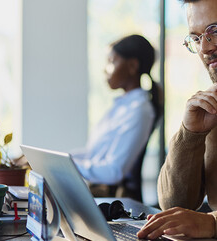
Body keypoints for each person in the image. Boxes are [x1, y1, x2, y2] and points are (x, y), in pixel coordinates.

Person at [137, 0, 217, 239]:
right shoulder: (210, 108)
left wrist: (211, 223)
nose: (205, 47)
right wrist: (190, 134)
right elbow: (174, 202)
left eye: (215, 31)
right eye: (196, 37)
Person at [71, 34, 162, 201]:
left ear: (132, 66)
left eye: (112, 62)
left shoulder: (139, 110)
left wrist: (69, 166)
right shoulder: (121, 106)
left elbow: (114, 171)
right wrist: (60, 161)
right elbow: (93, 155)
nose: (105, 69)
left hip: (114, 202)